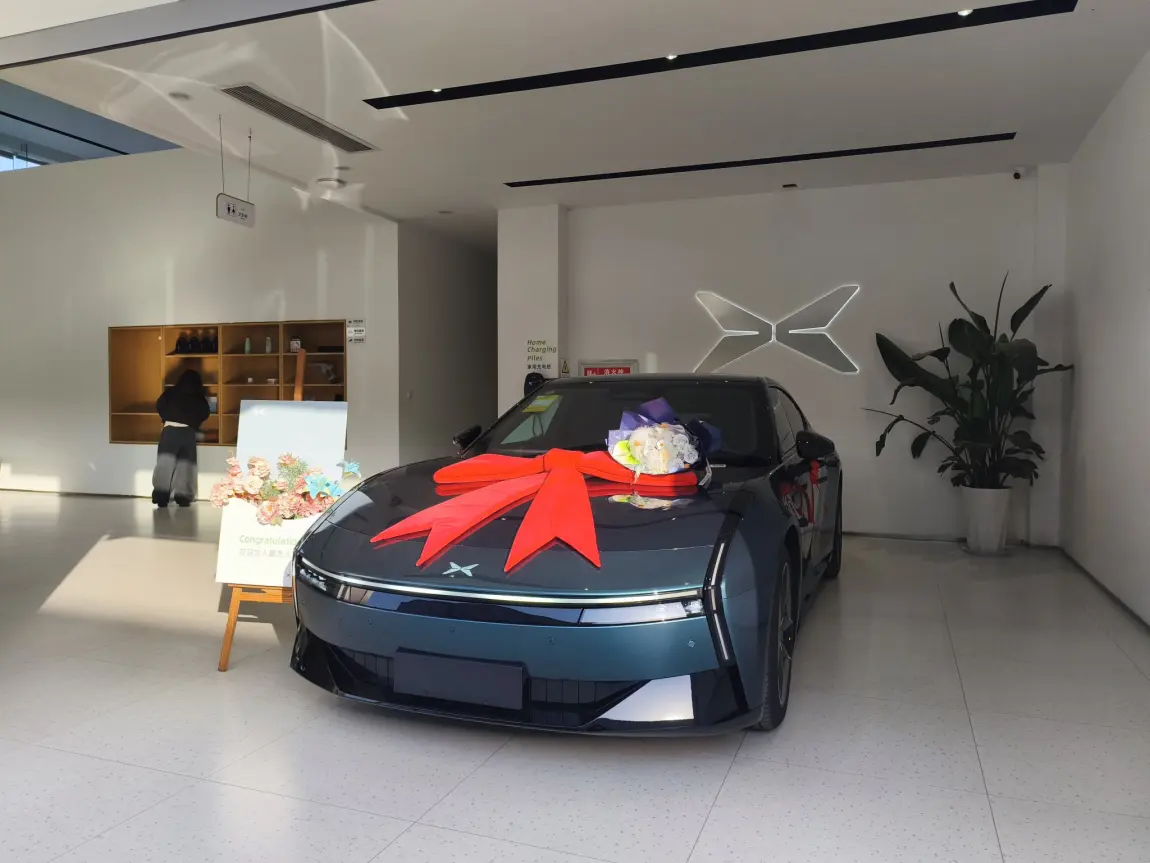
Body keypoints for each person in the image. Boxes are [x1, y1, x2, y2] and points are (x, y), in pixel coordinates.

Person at [152, 369, 210, 507]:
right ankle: (183, 498)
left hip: (169, 430)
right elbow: (205, 413)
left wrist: (165, 417)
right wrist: (194, 421)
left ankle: (161, 497)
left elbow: (159, 405)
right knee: (186, 465)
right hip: (187, 431)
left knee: (165, 464)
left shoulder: (170, 392)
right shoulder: (198, 396)